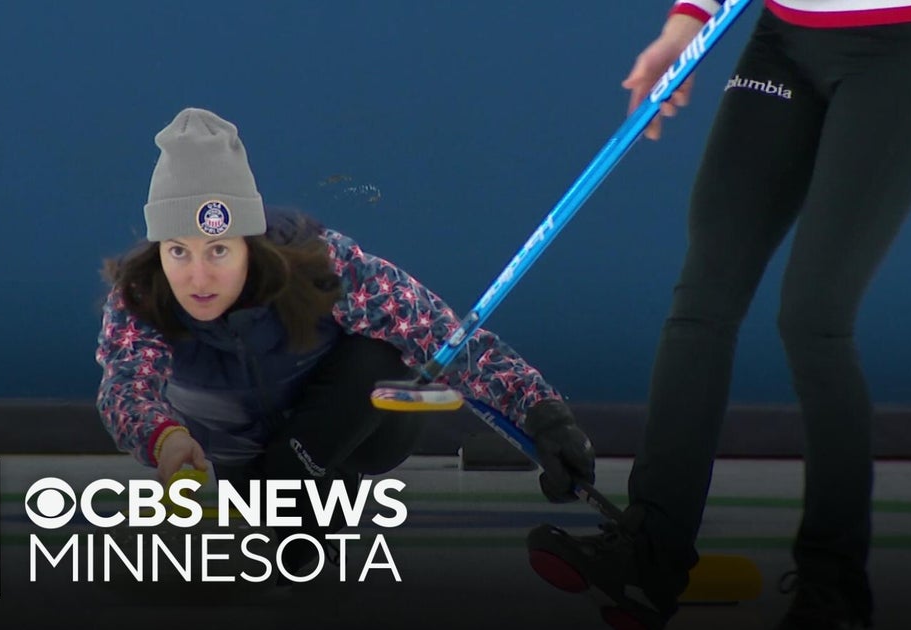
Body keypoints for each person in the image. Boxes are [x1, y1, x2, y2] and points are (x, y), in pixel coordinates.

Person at [525, 1, 911, 629]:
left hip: (903, 49)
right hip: (784, 42)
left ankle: (833, 588)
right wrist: (681, 31)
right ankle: (649, 554)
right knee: (703, 297)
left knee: (814, 317)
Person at [95, 107, 597, 575]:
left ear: (250, 241)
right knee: (297, 550)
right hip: (240, 461)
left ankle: (297, 484)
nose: (198, 277)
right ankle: (298, 502)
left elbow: (445, 338)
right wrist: (166, 437)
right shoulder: (141, 293)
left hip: (355, 428)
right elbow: (125, 389)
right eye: (179, 251)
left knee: (388, 345)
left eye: (219, 250)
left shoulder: (320, 263)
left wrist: (542, 414)